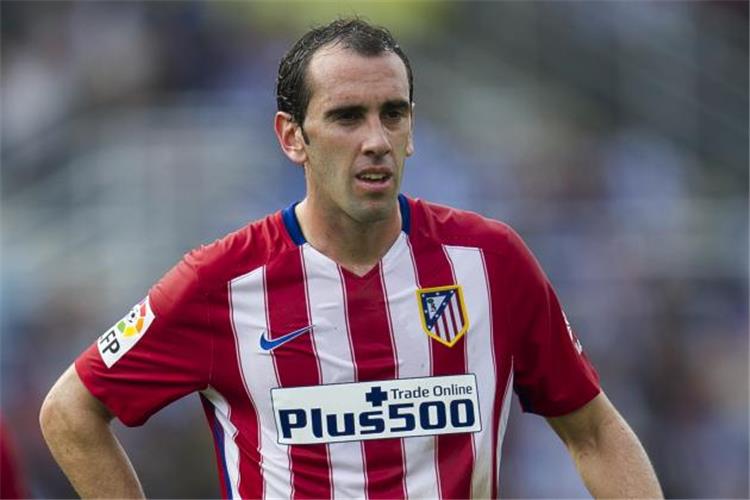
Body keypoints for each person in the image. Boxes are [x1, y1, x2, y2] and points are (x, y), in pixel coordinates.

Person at [39, 18, 662, 499]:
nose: (375, 140)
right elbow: (71, 412)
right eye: (346, 117)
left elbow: (595, 432)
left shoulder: (491, 262)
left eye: (393, 114)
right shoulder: (220, 282)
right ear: (292, 137)